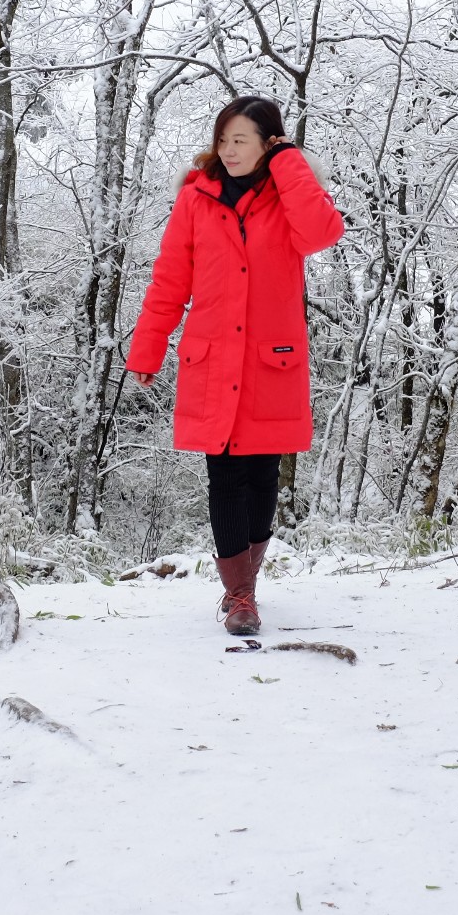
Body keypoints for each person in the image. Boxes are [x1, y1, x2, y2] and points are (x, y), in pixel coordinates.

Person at [124, 96, 345, 635]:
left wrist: (289, 161)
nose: (228, 150)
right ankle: (239, 594)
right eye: (222, 140)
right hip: (212, 357)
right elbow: (170, 278)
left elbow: (323, 234)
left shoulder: (290, 197)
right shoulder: (196, 199)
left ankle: (248, 581)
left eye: (240, 140)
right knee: (223, 475)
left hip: (272, 361)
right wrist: (147, 348)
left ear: (268, 143)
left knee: (263, 475)